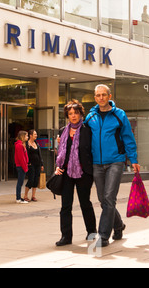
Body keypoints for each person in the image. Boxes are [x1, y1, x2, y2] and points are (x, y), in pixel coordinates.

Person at [86, 84, 140, 247]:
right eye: (98, 95)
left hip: (116, 161)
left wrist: (133, 159)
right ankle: (118, 225)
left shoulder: (119, 115)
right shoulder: (91, 117)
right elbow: (81, 136)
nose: (101, 98)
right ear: (95, 97)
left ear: (109, 96)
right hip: (97, 163)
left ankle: (103, 236)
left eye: (104, 95)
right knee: (103, 200)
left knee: (109, 198)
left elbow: (128, 138)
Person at [54, 100, 97, 246]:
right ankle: (66, 237)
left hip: (83, 172)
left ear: (80, 114)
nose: (73, 116)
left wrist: (91, 170)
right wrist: (57, 166)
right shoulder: (62, 131)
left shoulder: (87, 129)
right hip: (66, 172)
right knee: (65, 205)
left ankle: (92, 232)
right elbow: (60, 152)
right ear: (67, 115)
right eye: (70, 113)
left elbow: (92, 150)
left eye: (76, 113)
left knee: (85, 203)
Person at [24, 129, 44, 202]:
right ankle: (25, 195)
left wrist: (42, 164)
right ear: (30, 135)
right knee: (31, 180)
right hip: (31, 165)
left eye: (36, 134)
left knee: (36, 180)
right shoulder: (27, 144)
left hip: (37, 164)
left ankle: (33, 196)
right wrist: (28, 162)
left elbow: (40, 155)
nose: (36, 135)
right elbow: (26, 154)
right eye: (35, 134)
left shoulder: (37, 144)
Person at [14, 130, 29, 204]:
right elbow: (21, 158)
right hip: (21, 166)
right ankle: (18, 198)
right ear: (23, 136)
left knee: (20, 182)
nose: (27, 137)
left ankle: (19, 197)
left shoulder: (21, 144)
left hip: (21, 166)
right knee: (20, 183)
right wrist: (25, 167)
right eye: (26, 135)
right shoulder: (19, 145)